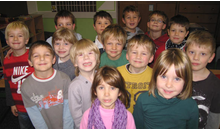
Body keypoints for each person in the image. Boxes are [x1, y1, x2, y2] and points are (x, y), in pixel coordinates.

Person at [133, 48, 199, 129]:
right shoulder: (143, 100)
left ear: (186, 81)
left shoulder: (191, 105)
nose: (168, 85)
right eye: (164, 77)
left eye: (177, 79)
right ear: (155, 76)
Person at [20, 40, 74, 129]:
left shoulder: (64, 79)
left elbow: (68, 110)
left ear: (53, 59)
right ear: (30, 62)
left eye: (47, 55)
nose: (42, 58)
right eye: (36, 56)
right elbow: (35, 117)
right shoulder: (26, 87)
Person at [184, 30, 220, 129]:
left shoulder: (216, 85)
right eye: (192, 52)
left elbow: (214, 117)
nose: (196, 58)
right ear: (185, 52)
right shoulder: (176, 77)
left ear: (211, 57)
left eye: (203, 54)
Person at [3, 21, 35, 129]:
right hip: (20, 106)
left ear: (26, 40)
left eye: (19, 36)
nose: (15, 39)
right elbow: (8, 83)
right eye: (12, 36)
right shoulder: (7, 61)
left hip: (38, 104)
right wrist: (11, 103)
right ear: (7, 41)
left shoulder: (34, 55)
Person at [117, 34, 156, 113]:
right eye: (134, 52)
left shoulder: (154, 75)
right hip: (121, 117)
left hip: (144, 118)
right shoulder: (117, 73)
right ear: (127, 55)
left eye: (144, 53)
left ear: (151, 58)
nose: (138, 57)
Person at [68, 39, 100, 129]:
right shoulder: (75, 86)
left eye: (90, 53)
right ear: (75, 62)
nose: (86, 57)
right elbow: (76, 115)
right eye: (81, 55)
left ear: (97, 58)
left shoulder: (103, 78)